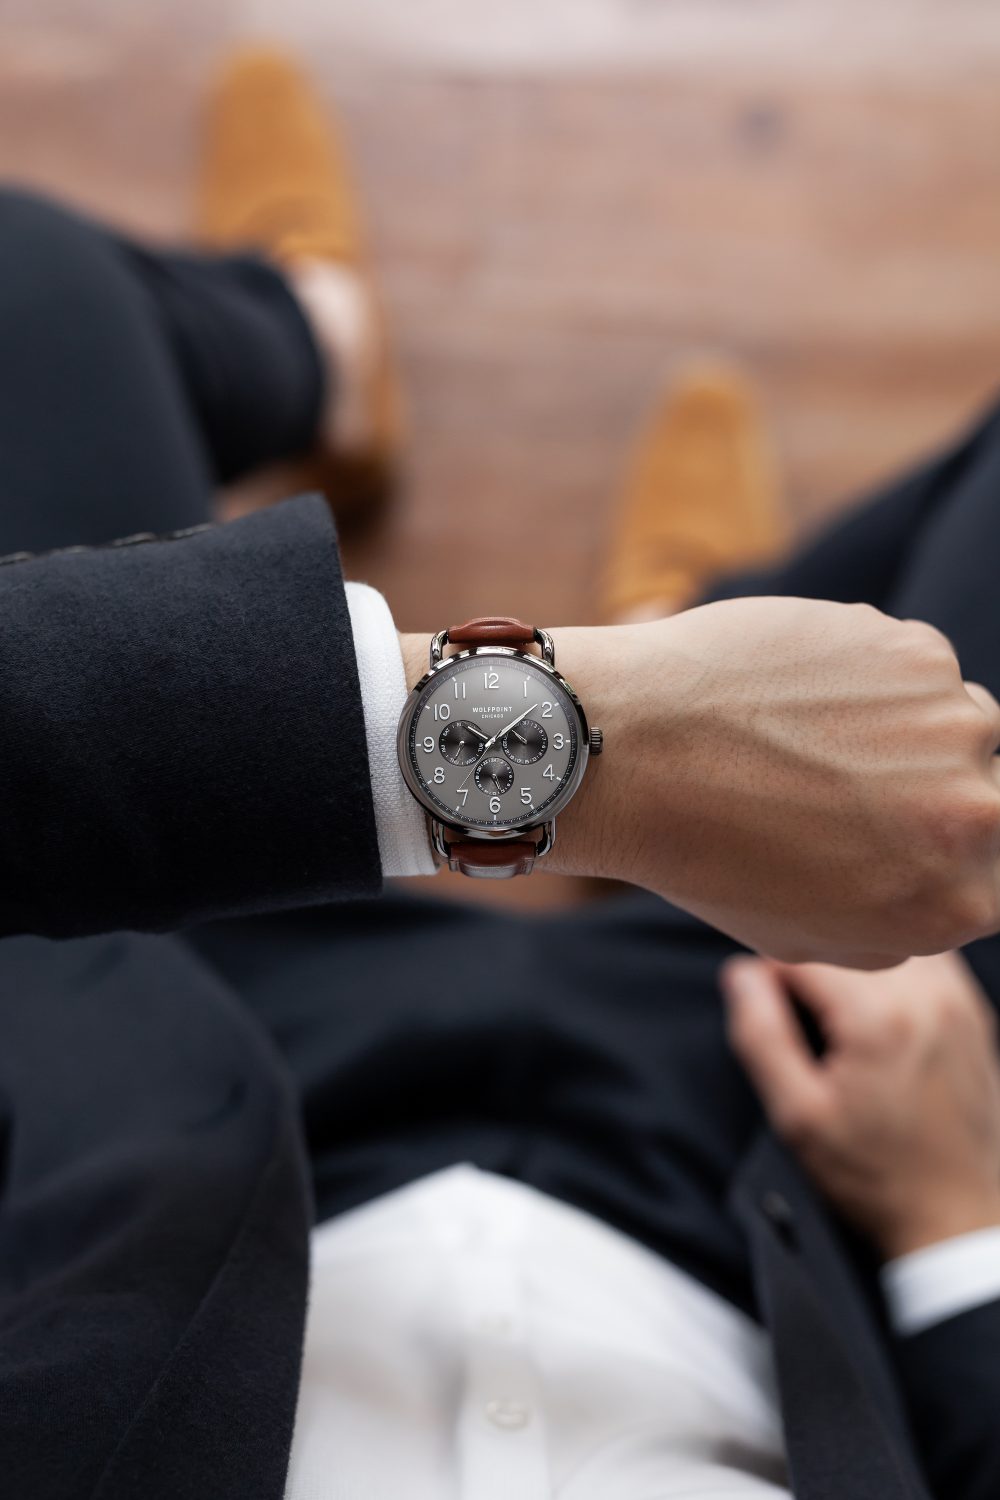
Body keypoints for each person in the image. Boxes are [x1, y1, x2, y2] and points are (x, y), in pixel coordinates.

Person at [1, 46, 999, 1500]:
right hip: (798, 1107)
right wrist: (963, 1233)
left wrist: (584, 735)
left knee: (28, 294)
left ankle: (320, 343)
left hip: (165, 1019)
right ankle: (709, 627)